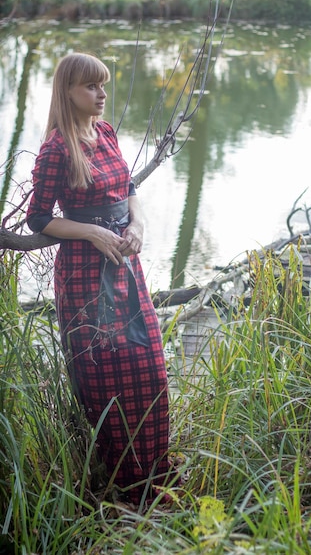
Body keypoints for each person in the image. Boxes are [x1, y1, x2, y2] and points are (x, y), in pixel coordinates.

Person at [27, 52, 174, 506]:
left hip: (126, 267)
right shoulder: (56, 148)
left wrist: (138, 225)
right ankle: (122, 487)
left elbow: (129, 190)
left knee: (149, 369)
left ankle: (155, 478)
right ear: (68, 91)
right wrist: (91, 230)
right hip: (86, 275)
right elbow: (38, 220)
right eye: (92, 87)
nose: (102, 95)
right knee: (104, 375)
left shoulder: (106, 132)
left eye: (104, 86)